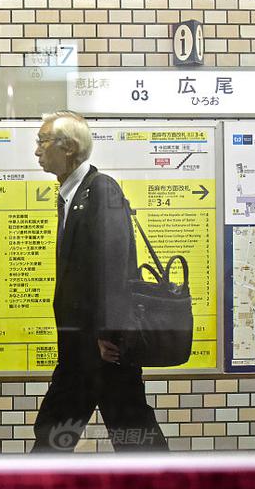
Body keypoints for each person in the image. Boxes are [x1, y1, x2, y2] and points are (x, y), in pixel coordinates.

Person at [31, 111, 168, 452]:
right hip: (83, 347)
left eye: (42, 141)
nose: (36, 151)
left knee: (127, 427)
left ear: (68, 148)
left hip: (101, 349)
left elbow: (114, 265)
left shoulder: (100, 190)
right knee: (119, 427)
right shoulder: (72, 195)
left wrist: (109, 335)